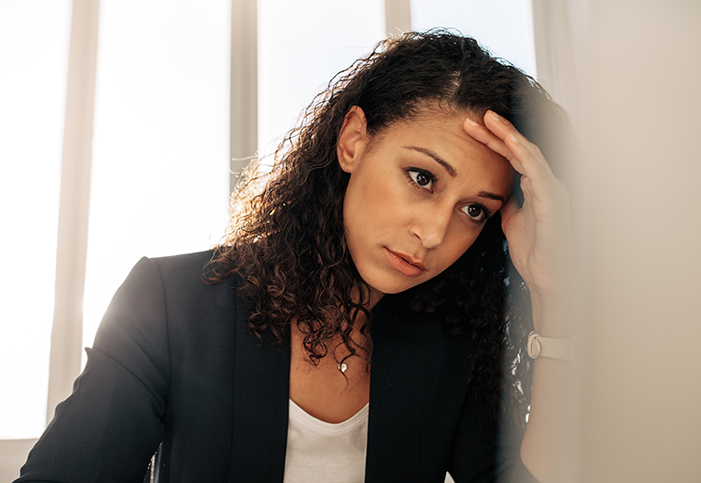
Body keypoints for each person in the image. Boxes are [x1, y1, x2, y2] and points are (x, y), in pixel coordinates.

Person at [15, 30, 577, 483]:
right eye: (422, 177)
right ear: (354, 140)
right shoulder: (170, 303)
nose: (434, 232)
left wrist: (551, 292)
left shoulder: (450, 344)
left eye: (475, 210)